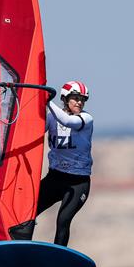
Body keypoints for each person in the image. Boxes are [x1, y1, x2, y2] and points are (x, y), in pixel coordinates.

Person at [33, 80, 93, 246]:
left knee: (63, 220)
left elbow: (67, 121)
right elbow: (32, 133)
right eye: (75, 98)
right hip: (55, 178)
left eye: (83, 99)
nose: (80, 102)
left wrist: (46, 100)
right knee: (27, 212)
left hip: (78, 183)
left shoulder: (86, 119)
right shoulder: (51, 118)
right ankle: (17, 250)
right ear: (65, 99)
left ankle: (56, 261)